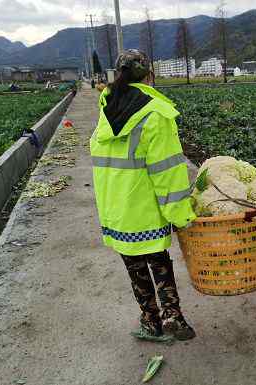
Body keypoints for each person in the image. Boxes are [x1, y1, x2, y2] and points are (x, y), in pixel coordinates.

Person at [90, 49, 197, 340]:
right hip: (145, 207)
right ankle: (173, 315)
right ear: (150, 75)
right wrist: (180, 214)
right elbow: (168, 172)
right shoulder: (155, 113)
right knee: (158, 260)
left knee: (134, 265)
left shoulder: (106, 109)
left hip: (116, 209)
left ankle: (151, 322)